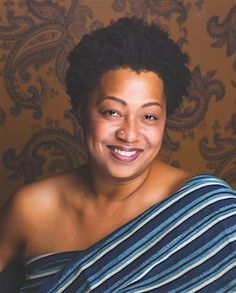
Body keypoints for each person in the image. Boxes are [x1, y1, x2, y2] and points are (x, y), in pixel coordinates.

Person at [0, 17, 235, 292]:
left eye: (149, 116)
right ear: (80, 112)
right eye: (112, 112)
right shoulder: (31, 208)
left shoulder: (213, 214)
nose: (130, 134)